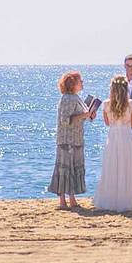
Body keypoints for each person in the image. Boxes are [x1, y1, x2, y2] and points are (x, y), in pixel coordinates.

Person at [93, 74, 132, 212]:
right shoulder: (131, 104)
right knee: (129, 166)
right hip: (127, 136)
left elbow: (107, 123)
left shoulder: (106, 104)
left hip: (114, 137)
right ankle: (130, 197)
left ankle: (113, 199)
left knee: (113, 166)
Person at [48, 71, 93, 209]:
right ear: (73, 83)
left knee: (72, 170)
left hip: (75, 139)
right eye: (80, 81)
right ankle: (63, 201)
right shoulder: (68, 98)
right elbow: (65, 120)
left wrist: (88, 114)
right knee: (64, 170)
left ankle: (72, 199)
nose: (83, 83)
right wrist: (84, 115)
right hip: (67, 141)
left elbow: (78, 116)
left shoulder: (75, 97)